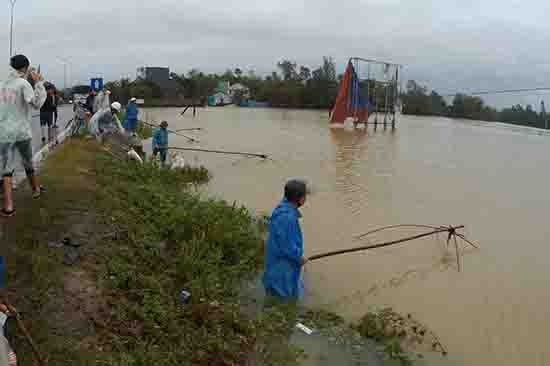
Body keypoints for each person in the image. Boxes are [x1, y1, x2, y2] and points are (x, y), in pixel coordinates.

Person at [0, 54, 47, 217]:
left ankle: (8, 206)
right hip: (21, 132)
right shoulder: (23, 83)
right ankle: (35, 190)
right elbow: (36, 103)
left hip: (4, 133)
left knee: (5, 169)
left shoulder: (2, 83)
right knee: (28, 161)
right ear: (25, 68)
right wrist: (39, 83)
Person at [262, 179, 309, 300]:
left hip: (275, 263)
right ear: (300, 199)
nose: (306, 198)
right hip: (282, 268)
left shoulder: (282, 208)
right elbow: (287, 246)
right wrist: (298, 258)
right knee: (283, 298)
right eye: (305, 195)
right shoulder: (288, 218)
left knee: (274, 296)